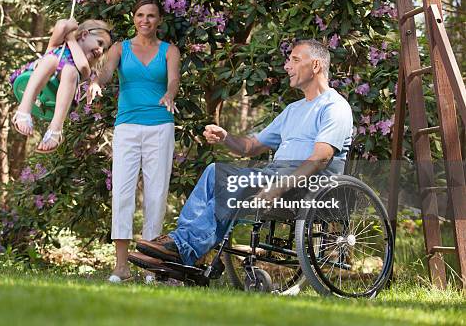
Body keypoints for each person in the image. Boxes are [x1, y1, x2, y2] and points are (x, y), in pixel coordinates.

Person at [132, 39, 353, 267]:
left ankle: (183, 248)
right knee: (213, 171)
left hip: (306, 187)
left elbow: (321, 158)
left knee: (234, 180)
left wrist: (277, 187)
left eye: (295, 60)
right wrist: (225, 137)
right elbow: (251, 147)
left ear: (315, 66)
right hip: (273, 177)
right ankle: (183, 248)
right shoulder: (293, 110)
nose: (287, 66)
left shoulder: (335, 107)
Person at [87, 0, 181, 283]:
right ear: (133, 18)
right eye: (140, 15)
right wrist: (95, 84)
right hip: (127, 128)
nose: (145, 20)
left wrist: (169, 94)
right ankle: (121, 267)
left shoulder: (169, 50)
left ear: (159, 20)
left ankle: (152, 265)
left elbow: (174, 79)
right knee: (123, 193)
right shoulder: (121, 48)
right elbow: (105, 73)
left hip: (160, 126)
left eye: (151, 16)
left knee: (156, 195)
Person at [11, 18, 112, 153]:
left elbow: (81, 65)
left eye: (104, 49)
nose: (100, 50)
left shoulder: (85, 68)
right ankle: (23, 110)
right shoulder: (58, 45)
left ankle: (56, 128)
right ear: (84, 34)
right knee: (50, 59)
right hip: (39, 73)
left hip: (61, 88)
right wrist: (68, 25)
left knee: (70, 70)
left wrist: (70, 37)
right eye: (100, 43)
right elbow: (60, 25)